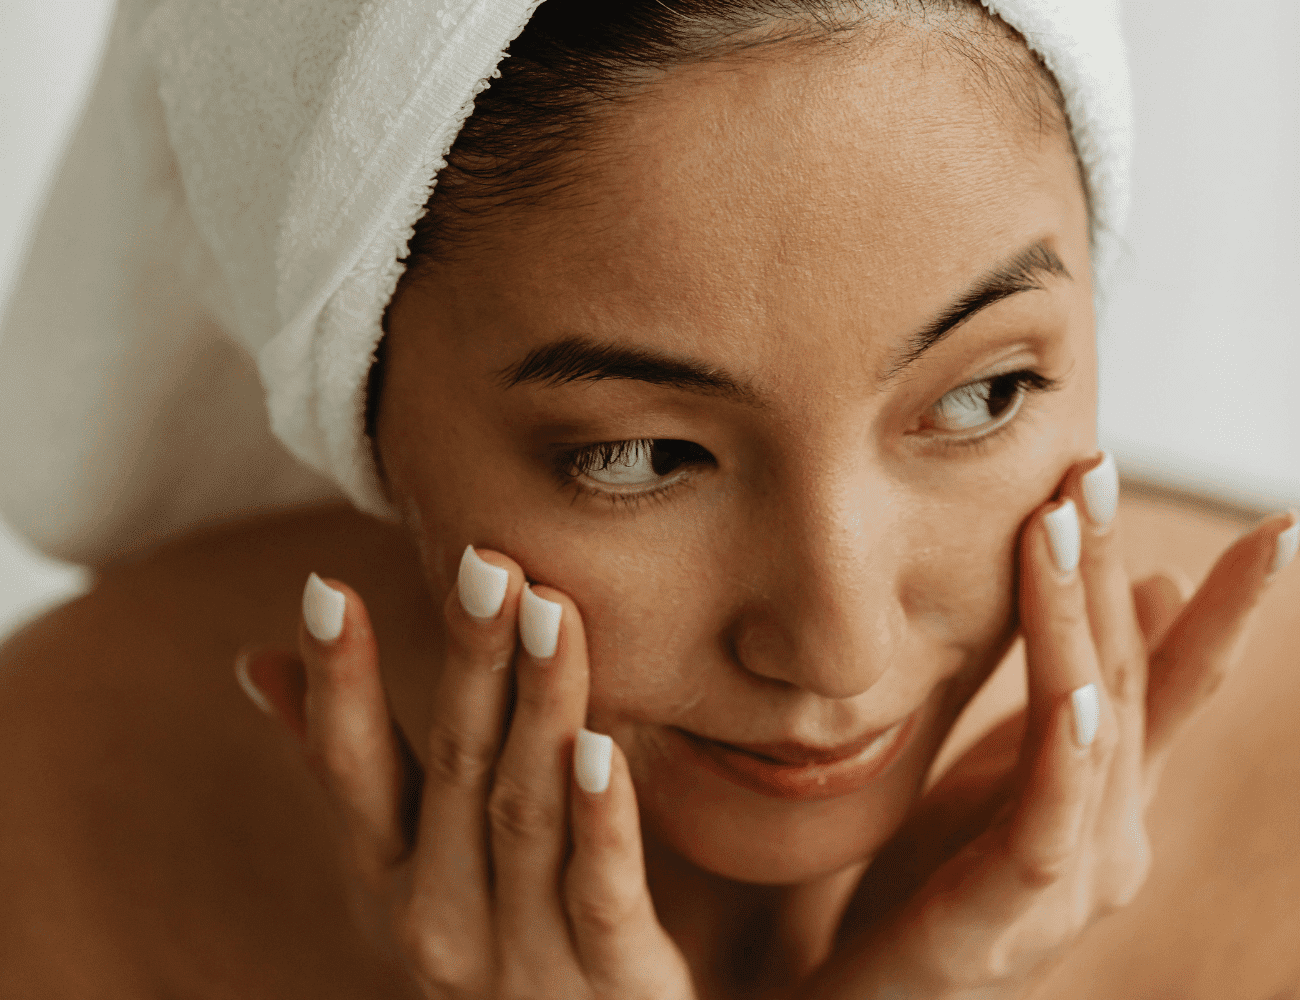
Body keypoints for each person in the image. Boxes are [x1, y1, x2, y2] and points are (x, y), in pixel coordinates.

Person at [1, 1, 1298, 997]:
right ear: (366, 418)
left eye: (986, 396)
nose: (838, 648)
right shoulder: (55, 836)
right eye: (640, 458)